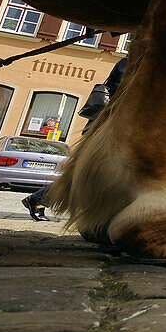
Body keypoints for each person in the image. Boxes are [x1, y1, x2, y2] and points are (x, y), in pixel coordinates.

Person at [21, 55, 128, 221]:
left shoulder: (127, 61)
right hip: (107, 127)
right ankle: (39, 199)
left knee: (90, 173)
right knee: (92, 174)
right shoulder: (132, 62)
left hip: (104, 125)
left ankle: (39, 200)